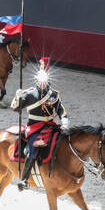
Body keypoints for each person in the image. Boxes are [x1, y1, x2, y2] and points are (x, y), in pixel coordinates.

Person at [10, 57, 69, 190]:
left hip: (51, 126)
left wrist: (64, 121)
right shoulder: (29, 94)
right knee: (33, 150)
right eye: (41, 81)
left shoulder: (53, 95)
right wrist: (18, 97)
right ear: (36, 80)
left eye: (45, 81)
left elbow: (60, 110)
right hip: (35, 128)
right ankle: (24, 179)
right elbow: (15, 108)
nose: (43, 83)